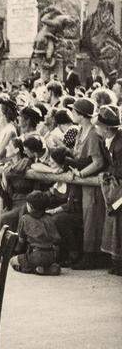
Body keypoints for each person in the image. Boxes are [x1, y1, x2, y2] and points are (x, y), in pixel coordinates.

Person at [68, 98, 108, 270]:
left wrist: (81, 174)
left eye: (74, 111)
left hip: (92, 183)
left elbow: (98, 162)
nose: (72, 113)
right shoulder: (79, 131)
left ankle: (92, 257)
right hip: (83, 183)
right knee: (85, 219)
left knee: (92, 219)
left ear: (82, 115)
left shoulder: (92, 134)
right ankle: (84, 254)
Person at [94, 105, 122, 276]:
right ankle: (117, 262)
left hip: (120, 188)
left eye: (99, 126)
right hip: (116, 185)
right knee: (115, 225)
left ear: (107, 128)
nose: (97, 128)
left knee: (119, 223)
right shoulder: (108, 141)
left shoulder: (119, 144)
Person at [10, 191, 62, 276]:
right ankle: (48, 269)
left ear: (30, 206)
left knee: (12, 261)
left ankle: (34, 269)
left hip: (36, 254)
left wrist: (16, 253)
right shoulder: (49, 218)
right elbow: (57, 239)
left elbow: (21, 241)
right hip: (52, 255)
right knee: (52, 265)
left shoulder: (24, 219)